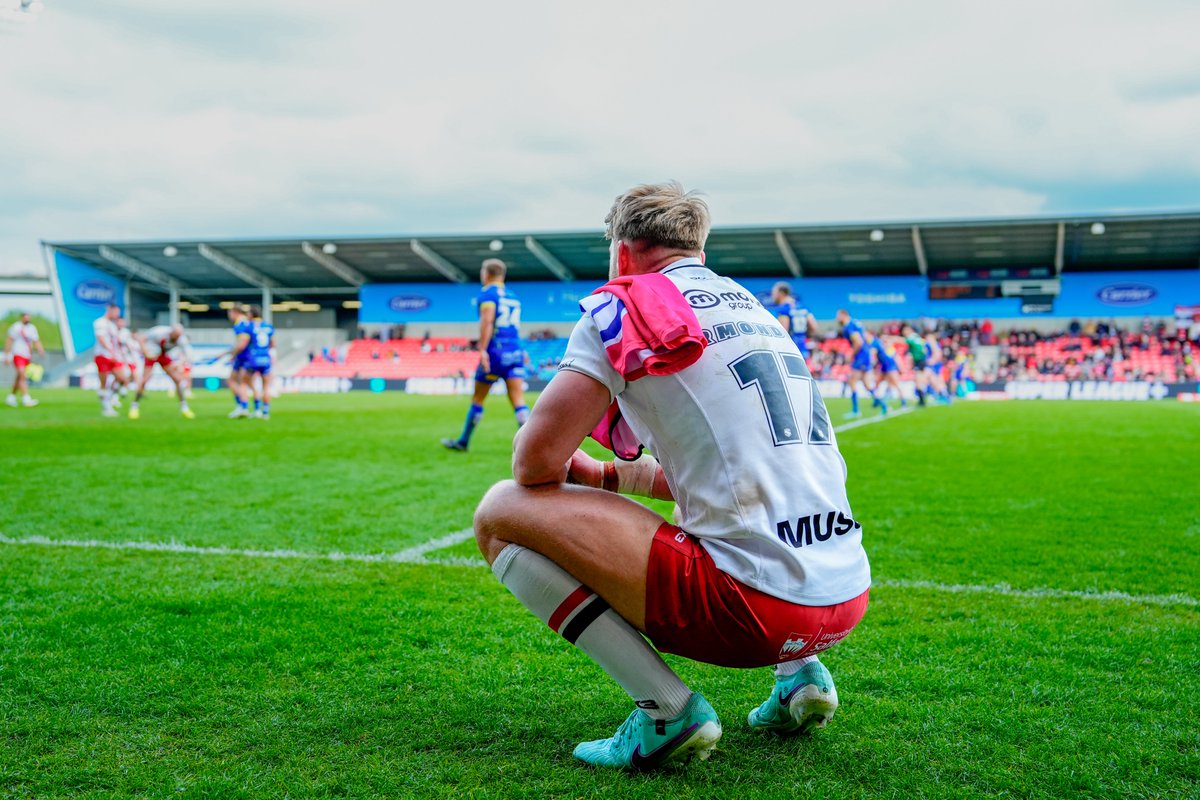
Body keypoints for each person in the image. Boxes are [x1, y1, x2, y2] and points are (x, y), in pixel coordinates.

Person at [473, 182, 870, 771]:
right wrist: (609, 476)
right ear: (698, 253)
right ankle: (801, 676)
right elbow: (736, 471)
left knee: (500, 511)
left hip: (752, 611)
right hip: (844, 595)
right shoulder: (752, 307)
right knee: (726, 508)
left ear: (622, 252)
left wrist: (561, 453)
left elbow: (533, 464)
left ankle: (668, 711)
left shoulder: (627, 303)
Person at [440, 258, 530, 451]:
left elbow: (487, 321)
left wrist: (482, 350)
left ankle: (463, 441)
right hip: (514, 351)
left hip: (495, 352)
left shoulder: (487, 294)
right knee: (519, 401)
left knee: (478, 399)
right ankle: (531, 446)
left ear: (486, 274)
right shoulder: (512, 296)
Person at [128, 324, 194, 419]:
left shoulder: (181, 340)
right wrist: (146, 352)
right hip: (152, 353)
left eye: (178, 336)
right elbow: (141, 339)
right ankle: (134, 406)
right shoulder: (159, 332)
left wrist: (179, 363)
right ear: (171, 332)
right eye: (175, 335)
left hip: (163, 355)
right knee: (145, 380)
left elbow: (187, 355)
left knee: (177, 379)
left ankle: (184, 407)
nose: (176, 338)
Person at [835, 309, 884, 418]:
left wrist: (851, 355)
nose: (837, 318)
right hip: (865, 355)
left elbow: (858, 342)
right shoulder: (856, 323)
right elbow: (865, 337)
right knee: (866, 384)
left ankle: (856, 411)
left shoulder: (849, 326)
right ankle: (884, 406)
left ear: (844, 315)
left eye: (838, 316)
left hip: (861, 356)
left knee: (852, 381)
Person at [92, 304, 130, 417]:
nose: (117, 315)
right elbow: (101, 338)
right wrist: (111, 351)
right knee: (104, 382)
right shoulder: (99, 322)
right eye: (116, 312)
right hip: (103, 356)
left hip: (114, 356)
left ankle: (112, 397)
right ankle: (106, 407)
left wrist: (119, 354)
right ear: (110, 310)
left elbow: (116, 342)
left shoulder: (112, 326)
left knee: (123, 378)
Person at [4, 312, 46, 407]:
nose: (27, 319)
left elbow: (36, 340)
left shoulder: (32, 328)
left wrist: (40, 350)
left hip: (27, 356)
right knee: (23, 376)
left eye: (29, 318)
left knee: (19, 377)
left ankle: (11, 397)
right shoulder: (16, 327)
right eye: (26, 318)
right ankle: (26, 399)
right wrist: (7, 355)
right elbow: (9, 341)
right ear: (22, 318)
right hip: (18, 354)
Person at [770, 282, 818, 359]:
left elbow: (783, 331)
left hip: (790, 350)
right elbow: (813, 327)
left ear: (781, 293)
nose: (772, 296)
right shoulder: (802, 306)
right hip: (803, 348)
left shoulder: (783, 309)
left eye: (774, 293)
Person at [245, 305, 275, 419]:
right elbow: (273, 343)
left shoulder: (250, 326)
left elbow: (245, 342)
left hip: (253, 358)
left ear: (252, 315)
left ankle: (257, 409)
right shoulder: (268, 326)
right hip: (265, 358)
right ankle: (266, 412)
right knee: (266, 386)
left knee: (247, 382)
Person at [226, 305, 253, 418]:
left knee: (234, 381)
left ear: (234, 312)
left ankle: (242, 407)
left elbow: (242, 343)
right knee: (246, 383)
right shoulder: (248, 322)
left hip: (244, 357)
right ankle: (255, 409)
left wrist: (234, 354)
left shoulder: (240, 324)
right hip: (252, 356)